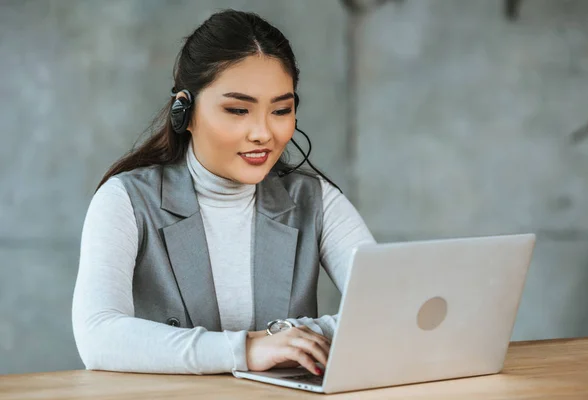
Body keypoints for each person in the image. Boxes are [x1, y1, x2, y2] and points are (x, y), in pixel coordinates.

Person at [72, 9, 375, 377]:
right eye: (237, 110)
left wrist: (290, 339)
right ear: (185, 111)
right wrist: (246, 348)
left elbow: (388, 308)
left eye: (281, 110)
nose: (263, 133)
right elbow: (98, 336)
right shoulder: (125, 200)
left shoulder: (316, 199)